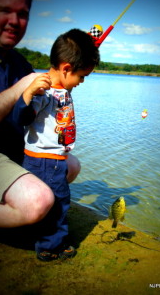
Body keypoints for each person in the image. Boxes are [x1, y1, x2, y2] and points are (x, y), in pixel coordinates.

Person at [0, 0, 79, 232]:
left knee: (71, 166)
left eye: (22, 14)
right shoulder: (24, 74)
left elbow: (35, 107)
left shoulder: (19, 63)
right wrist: (23, 86)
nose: (14, 21)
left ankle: (17, 207)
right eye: (5, 10)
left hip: (14, 150)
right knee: (38, 201)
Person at [13, 29, 100, 261]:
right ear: (66, 69)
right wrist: (27, 94)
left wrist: (90, 47)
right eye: (81, 76)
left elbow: (76, 58)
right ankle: (51, 246)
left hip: (53, 159)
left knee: (57, 200)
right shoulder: (44, 90)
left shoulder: (62, 85)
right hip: (45, 161)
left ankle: (43, 236)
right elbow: (21, 118)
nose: (81, 82)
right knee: (59, 201)